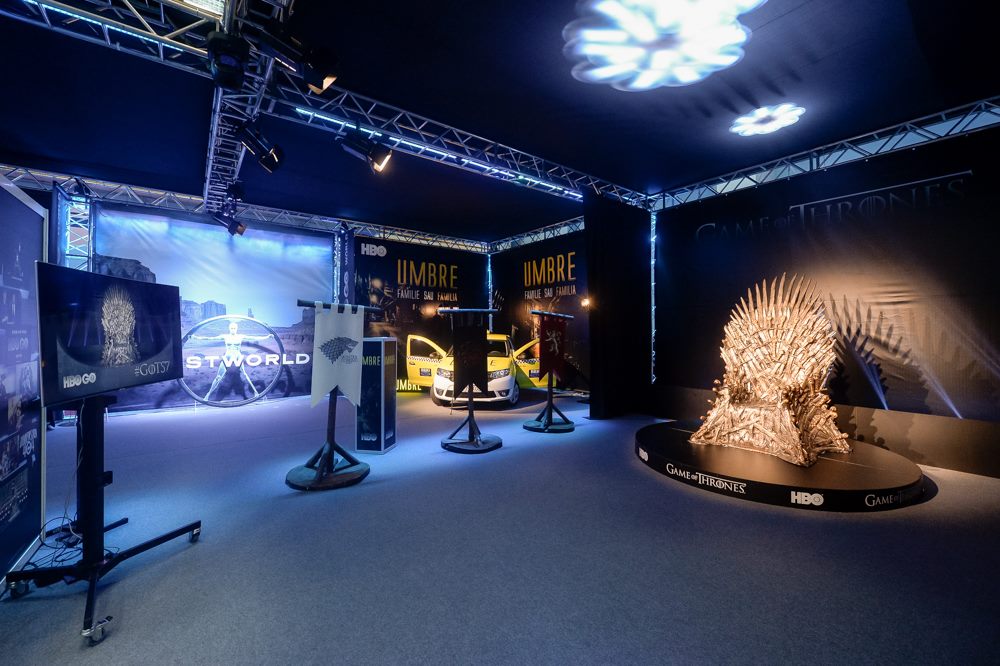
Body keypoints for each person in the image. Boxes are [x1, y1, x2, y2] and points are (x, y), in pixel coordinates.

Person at [191, 320, 274, 401]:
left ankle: (256, 392)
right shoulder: (225, 336)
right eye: (231, 328)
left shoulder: (240, 336)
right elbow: (210, 338)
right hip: (228, 357)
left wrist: (267, 337)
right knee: (218, 377)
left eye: (234, 328)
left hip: (237, 357)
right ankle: (207, 395)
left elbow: (254, 338)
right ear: (229, 328)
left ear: (236, 328)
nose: (233, 329)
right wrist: (196, 337)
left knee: (245, 374)